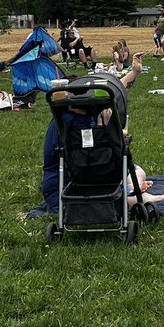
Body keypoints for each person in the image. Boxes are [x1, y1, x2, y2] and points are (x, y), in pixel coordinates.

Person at [41, 54, 146, 211]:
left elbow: (115, 90)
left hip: (66, 181)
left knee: (137, 170)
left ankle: (131, 186)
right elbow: (94, 159)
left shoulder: (63, 118)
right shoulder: (74, 123)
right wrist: (101, 130)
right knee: (134, 175)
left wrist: (135, 72)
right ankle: (137, 194)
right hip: (81, 183)